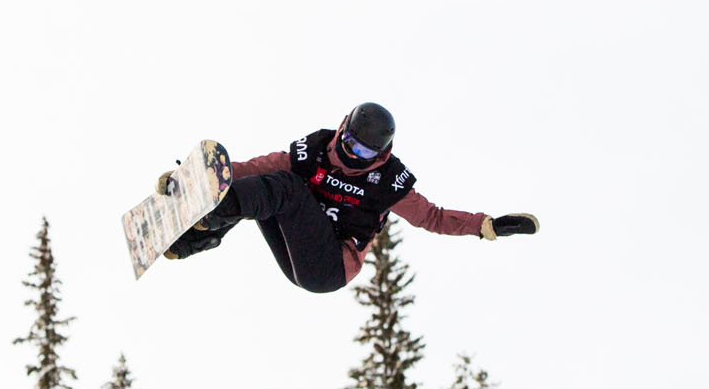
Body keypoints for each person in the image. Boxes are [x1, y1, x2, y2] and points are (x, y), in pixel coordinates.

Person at [160, 102, 539, 294]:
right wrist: (200, 181)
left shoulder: (386, 182)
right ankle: (200, 234)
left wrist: (485, 226)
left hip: (328, 269)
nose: (354, 156)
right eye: (351, 145)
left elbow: (433, 217)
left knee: (285, 188)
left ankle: (213, 210)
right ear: (343, 131)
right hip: (295, 252)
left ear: (381, 153)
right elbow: (258, 168)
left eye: (365, 152)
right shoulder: (315, 150)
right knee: (274, 184)